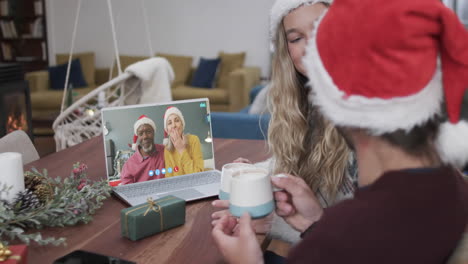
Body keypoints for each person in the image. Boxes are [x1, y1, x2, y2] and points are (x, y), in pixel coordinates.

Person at [212, 0, 468, 262]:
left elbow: (347, 243)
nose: (313, 49)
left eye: (323, 32)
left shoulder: (341, 235)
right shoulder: (451, 185)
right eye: (297, 38)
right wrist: (315, 223)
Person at [212, 0, 357, 243]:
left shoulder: (373, 124)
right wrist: (254, 174)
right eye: (295, 38)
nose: (310, 45)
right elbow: (292, 168)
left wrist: (269, 224)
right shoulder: (306, 106)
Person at [120, 115, 165, 184]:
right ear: (138, 137)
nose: (145, 137)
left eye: (148, 132)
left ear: (154, 133)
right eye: (141, 134)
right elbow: (128, 192)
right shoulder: (129, 166)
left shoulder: (165, 150)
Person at [163, 106, 204, 177]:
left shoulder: (194, 140)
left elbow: (198, 175)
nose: (173, 125)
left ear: (182, 124)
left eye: (176, 120)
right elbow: (169, 177)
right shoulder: (167, 150)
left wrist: (181, 149)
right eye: (169, 123)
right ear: (167, 130)